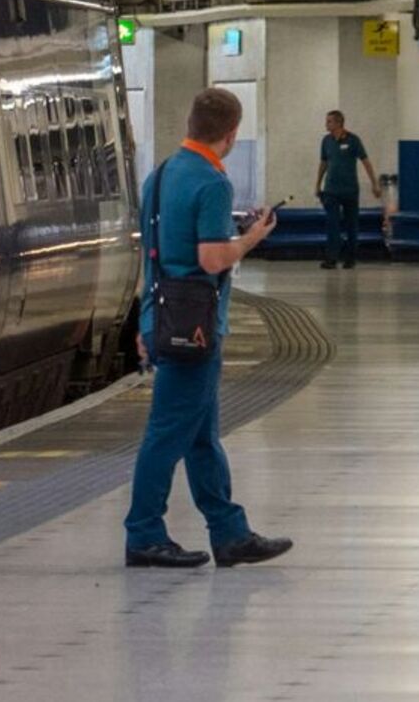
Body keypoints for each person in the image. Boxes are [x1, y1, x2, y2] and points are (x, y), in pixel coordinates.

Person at [124, 87, 293, 570]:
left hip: (164, 316)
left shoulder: (159, 176)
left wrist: (143, 321)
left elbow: (153, 256)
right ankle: (143, 533)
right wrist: (252, 238)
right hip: (194, 328)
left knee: (201, 436)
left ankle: (229, 533)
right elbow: (212, 257)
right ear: (231, 134)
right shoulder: (213, 183)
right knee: (166, 435)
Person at [315, 109, 381, 269]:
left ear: (338, 123)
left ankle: (350, 257)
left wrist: (374, 184)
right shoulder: (326, 141)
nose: (326, 124)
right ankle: (331, 258)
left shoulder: (353, 140)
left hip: (350, 190)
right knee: (332, 225)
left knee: (352, 225)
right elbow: (323, 163)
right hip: (331, 190)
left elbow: (366, 162)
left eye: (329, 121)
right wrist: (318, 184)